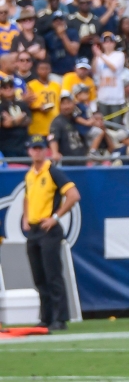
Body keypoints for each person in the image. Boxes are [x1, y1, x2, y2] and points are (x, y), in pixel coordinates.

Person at [21, 135, 80, 331]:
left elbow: (73, 195)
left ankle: (60, 317)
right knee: (39, 276)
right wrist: (26, 217)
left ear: (45, 150)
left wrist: (55, 217)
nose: (37, 152)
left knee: (53, 274)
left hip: (49, 229)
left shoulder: (53, 172)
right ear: (29, 151)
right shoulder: (30, 174)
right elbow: (27, 197)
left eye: (40, 148)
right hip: (35, 230)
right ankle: (46, 316)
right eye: (34, 148)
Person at [48, 91, 89, 161]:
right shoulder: (57, 122)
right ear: (59, 105)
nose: (66, 106)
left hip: (82, 160)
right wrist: (55, 153)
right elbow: (52, 138)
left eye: (69, 103)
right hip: (67, 162)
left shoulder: (79, 119)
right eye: (63, 104)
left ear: (73, 104)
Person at [0, 76, 31, 158]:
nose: (8, 89)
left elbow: (28, 120)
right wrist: (19, 118)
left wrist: (12, 121)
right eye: (5, 87)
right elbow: (5, 124)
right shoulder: (1, 106)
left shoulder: (22, 104)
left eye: (10, 86)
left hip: (23, 145)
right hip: (6, 146)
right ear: (1, 90)